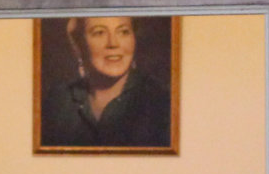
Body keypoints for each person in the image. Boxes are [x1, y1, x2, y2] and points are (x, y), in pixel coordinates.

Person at [40, 14, 172, 150]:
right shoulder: (57, 100)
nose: (113, 43)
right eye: (99, 32)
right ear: (79, 44)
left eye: (123, 32)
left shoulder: (162, 103)